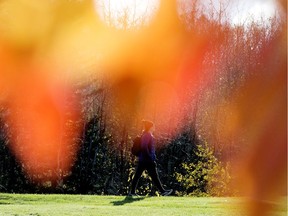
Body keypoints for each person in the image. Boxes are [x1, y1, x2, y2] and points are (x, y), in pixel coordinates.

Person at [129, 120, 173, 196]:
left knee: (139, 175)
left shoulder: (145, 134)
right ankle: (163, 192)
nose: (154, 127)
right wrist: (149, 156)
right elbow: (144, 146)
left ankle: (132, 192)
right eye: (153, 126)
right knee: (153, 176)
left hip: (143, 159)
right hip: (147, 160)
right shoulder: (147, 135)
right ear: (150, 127)